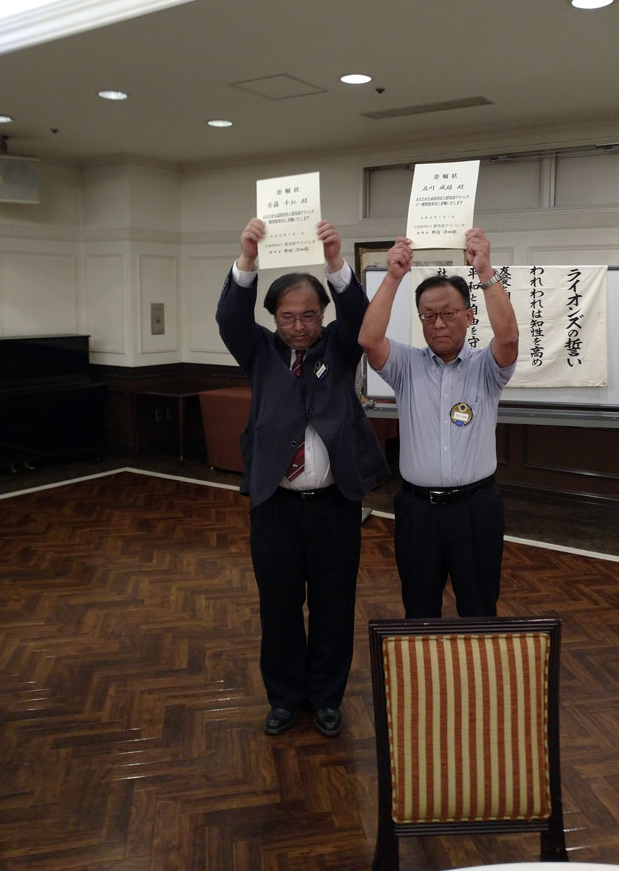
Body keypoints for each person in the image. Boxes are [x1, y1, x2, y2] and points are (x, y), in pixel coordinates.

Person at [216, 217, 389, 737]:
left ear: (322, 316)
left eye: (309, 315)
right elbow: (230, 317)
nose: (298, 326)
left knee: (334, 606)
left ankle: (326, 698)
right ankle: (285, 698)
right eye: (288, 317)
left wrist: (335, 260)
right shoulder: (259, 352)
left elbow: (360, 316)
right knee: (279, 607)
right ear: (273, 318)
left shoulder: (340, 346)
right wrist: (247, 258)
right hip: (275, 505)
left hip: (335, 505)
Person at [358, 227, 519, 618]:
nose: (439, 324)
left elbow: (510, 338)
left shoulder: (486, 367)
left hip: (475, 510)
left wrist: (485, 272)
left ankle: (474, 662)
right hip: (418, 512)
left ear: (468, 316)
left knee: (479, 610)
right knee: (419, 608)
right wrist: (393, 276)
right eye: (428, 316)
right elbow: (368, 340)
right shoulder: (407, 365)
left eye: (448, 314)